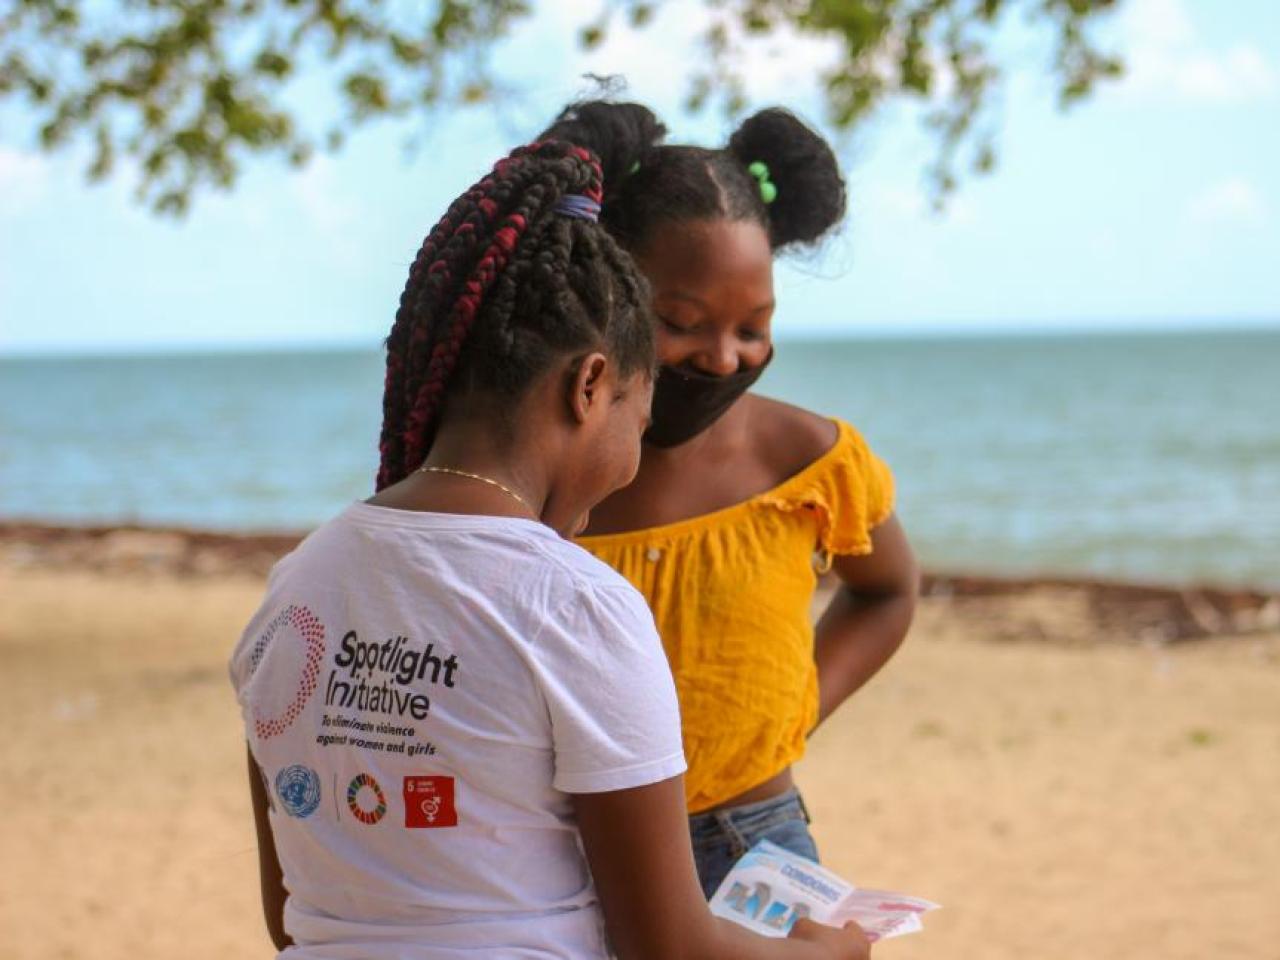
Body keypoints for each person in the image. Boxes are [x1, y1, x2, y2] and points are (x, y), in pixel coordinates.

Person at [229, 140, 869, 960]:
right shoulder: (575, 605)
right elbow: (667, 948)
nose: (632, 463)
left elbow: (290, 913)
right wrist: (827, 953)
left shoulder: (295, 588)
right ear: (590, 385)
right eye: (638, 425)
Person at [540, 102, 920, 897]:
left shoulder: (808, 462)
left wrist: (793, 709)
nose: (723, 357)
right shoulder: (547, 470)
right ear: (611, 291)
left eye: (754, 327)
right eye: (682, 322)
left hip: (752, 840)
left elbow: (886, 593)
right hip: (563, 853)